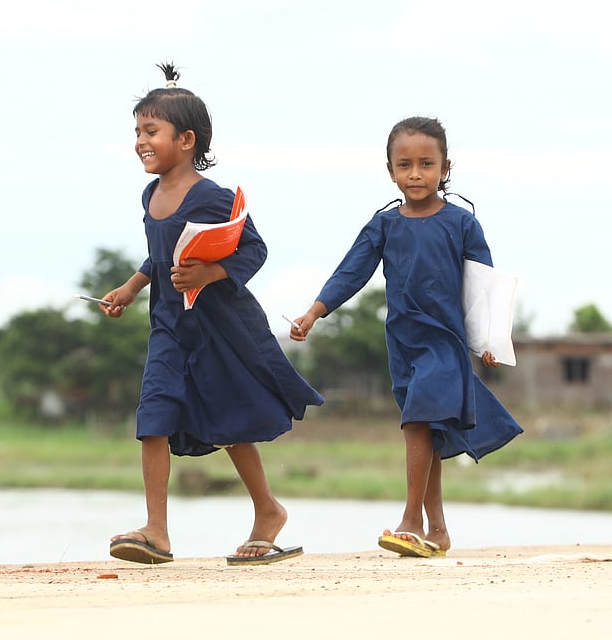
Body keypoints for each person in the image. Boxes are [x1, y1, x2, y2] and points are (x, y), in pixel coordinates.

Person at [99, 62, 323, 566]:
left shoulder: (214, 197)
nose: (140, 140)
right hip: (168, 328)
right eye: (137, 131)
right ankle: (156, 530)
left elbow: (254, 250)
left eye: (151, 130)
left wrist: (209, 275)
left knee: (228, 422)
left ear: (187, 139)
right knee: (152, 417)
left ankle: (269, 510)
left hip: (218, 328)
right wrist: (133, 288)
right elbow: (159, 257)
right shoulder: (150, 195)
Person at [289, 116, 522, 558]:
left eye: (426, 164)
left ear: (445, 168)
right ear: (390, 170)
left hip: (444, 344)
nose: (415, 174)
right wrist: (314, 313)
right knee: (427, 432)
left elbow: (483, 286)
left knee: (417, 422)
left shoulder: (462, 223)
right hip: (402, 342)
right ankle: (438, 530)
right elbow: (351, 272)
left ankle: (410, 520)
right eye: (405, 165)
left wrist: (490, 341)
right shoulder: (384, 226)